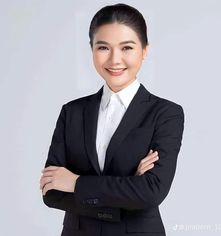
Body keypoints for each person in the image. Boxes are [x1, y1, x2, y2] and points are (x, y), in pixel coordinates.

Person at [40, 3, 184, 236]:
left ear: (144, 50)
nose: (115, 59)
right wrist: (128, 188)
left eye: (127, 47)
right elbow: (51, 192)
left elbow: (152, 191)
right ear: (92, 49)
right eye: (103, 47)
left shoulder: (165, 113)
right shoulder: (72, 112)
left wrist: (76, 183)